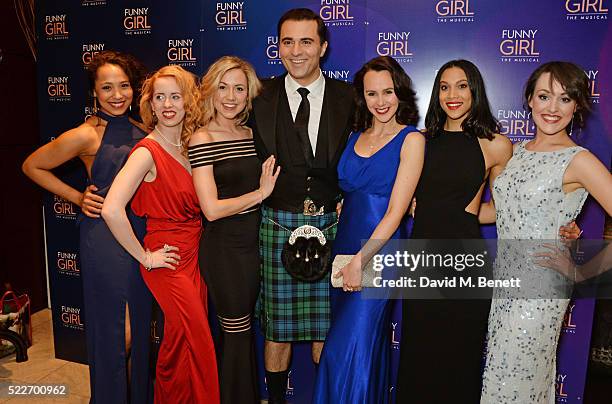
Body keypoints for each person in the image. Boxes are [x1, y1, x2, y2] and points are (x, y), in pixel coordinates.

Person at [22, 50, 153, 404]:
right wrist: (77, 197)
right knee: (118, 333)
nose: (117, 95)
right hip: (104, 239)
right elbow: (32, 166)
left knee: (138, 330)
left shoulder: (145, 128)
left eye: (124, 86)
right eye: (107, 87)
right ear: (94, 93)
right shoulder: (86, 134)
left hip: (141, 233)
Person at [480, 61, 612, 403]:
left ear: (577, 105)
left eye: (564, 99)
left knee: (515, 383)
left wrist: (581, 272)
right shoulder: (516, 152)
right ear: (529, 100)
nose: (552, 108)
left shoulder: (579, 160)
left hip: (540, 290)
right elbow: (499, 212)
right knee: (506, 378)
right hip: (505, 284)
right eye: (544, 96)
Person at [250, 8, 354, 403]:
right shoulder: (259, 95)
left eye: (306, 41)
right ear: (278, 47)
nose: (296, 51)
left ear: (323, 47)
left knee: (324, 328)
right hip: (276, 223)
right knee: (277, 328)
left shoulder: (350, 97)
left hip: (332, 224)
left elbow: (374, 150)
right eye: (287, 42)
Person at [396, 59, 513, 402]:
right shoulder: (420, 141)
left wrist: (466, 214)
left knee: (459, 358)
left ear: (475, 89)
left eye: (462, 86)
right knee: (419, 355)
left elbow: (506, 209)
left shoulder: (496, 144)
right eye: (444, 87)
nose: (453, 94)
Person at [101, 65, 220, 403]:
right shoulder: (146, 152)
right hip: (166, 260)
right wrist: (145, 257)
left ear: (188, 102)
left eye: (175, 96)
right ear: (150, 105)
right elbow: (112, 208)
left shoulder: (187, 147)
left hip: (194, 254)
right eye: (159, 97)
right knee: (199, 340)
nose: (168, 104)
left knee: (178, 343)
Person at [312, 56, 424, 403]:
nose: (381, 101)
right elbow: (349, 190)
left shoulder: (411, 140)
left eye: (388, 92)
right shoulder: (354, 136)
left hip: (380, 250)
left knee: (346, 350)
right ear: (363, 96)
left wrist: (361, 260)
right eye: (372, 93)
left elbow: (395, 212)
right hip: (343, 244)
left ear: (400, 92)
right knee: (362, 352)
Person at [188, 56, 280, 404]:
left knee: (241, 335)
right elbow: (210, 210)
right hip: (224, 251)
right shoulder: (202, 138)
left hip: (253, 246)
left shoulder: (249, 134)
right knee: (237, 335)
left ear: (249, 94)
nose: (231, 96)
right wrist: (259, 194)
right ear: (211, 91)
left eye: (239, 88)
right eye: (223, 87)